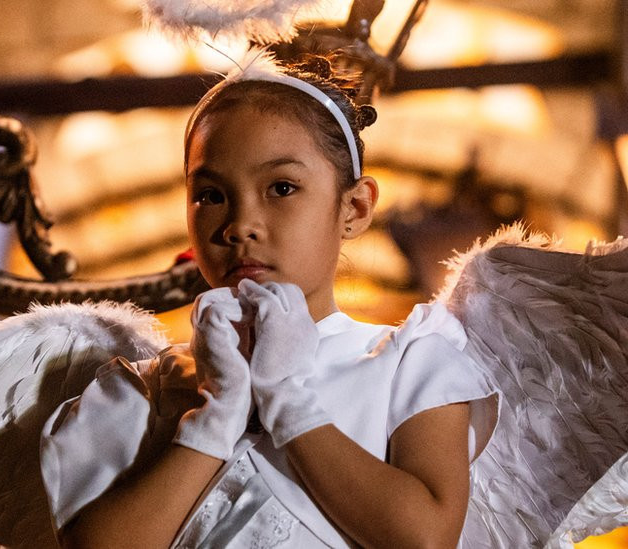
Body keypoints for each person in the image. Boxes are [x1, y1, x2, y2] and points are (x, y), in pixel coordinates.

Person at [39, 51, 500, 549]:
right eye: (211, 195)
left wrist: (287, 399)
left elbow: (424, 539)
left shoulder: (411, 361)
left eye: (281, 188)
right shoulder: (144, 393)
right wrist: (216, 419)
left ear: (356, 206)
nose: (240, 226)